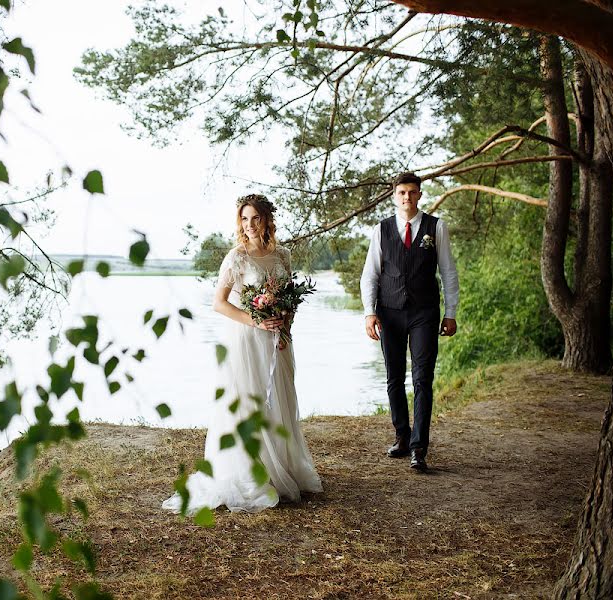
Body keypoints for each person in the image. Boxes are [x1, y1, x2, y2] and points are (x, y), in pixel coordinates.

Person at [162, 194, 322, 514]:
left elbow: (289, 299)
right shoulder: (236, 257)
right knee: (248, 402)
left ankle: (282, 468)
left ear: (267, 220)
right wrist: (257, 320)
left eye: (255, 219)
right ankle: (247, 471)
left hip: (277, 341)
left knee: (279, 400)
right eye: (244, 219)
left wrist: (284, 327)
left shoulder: (283, 255)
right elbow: (219, 303)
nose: (249, 225)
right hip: (247, 340)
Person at [360, 172, 459, 471]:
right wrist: (369, 311)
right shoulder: (382, 230)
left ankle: (419, 448)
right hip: (389, 312)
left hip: (424, 313)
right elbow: (370, 274)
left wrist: (450, 312)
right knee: (393, 377)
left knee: (422, 379)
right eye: (402, 192)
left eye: (412, 192)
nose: (407, 197)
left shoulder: (436, 227)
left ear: (419, 195)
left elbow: (448, 272)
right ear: (394, 195)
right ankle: (402, 436)